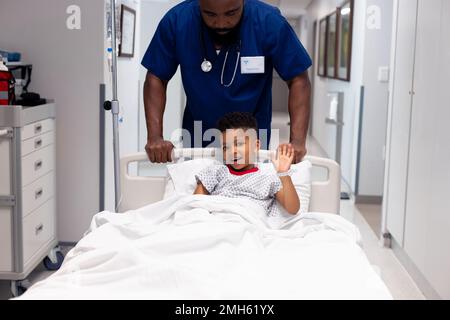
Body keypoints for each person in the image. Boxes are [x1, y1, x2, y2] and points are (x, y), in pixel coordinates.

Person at [142, 0, 312, 164]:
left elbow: (298, 79)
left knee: (248, 188)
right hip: (197, 136)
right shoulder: (177, 21)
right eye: (209, 14)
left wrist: (296, 142)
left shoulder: (268, 22)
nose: (221, 23)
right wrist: (155, 136)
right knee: (198, 190)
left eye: (231, 13)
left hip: (250, 138)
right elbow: (156, 76)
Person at [194, 112, 300, 216]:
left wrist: (283, 173)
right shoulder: (216, 172)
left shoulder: (268, 178)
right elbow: (195, 205)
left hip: (250, 223)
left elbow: (293, 209)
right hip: (219, 220)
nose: (232, 151)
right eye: (226, 147)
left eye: (239, 144)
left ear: (256, 145)